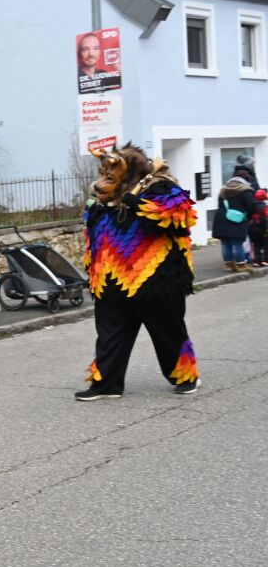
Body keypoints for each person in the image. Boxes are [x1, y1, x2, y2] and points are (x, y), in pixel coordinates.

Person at [77, 145, 200, 401]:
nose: (102, 182)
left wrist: (138, 204)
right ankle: (107, 384)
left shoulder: (160, 187)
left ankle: (185, 376)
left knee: (168, 333)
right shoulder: (104, 200)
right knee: (110, 335)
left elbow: (181, 216)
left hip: (155, 282)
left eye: (110, 176)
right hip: (112, 283)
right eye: (104, 174)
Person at [211, 175, 256, 272]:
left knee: (225, 243)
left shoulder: (223, 190)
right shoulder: (245, 191)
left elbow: (219, 204)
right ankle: (241, 265)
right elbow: (252, 206)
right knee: (237, 243)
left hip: (221, 218)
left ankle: (230, 266)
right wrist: (249, 217)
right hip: (236, 219)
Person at [249, 189, 268, 267]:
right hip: (263, 229)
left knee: (256, 246)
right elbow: (266, 217)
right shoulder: (265, 207)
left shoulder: (251, 206)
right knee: (266, 245)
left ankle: (256, 261)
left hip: (253, 229)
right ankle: (265, 260)